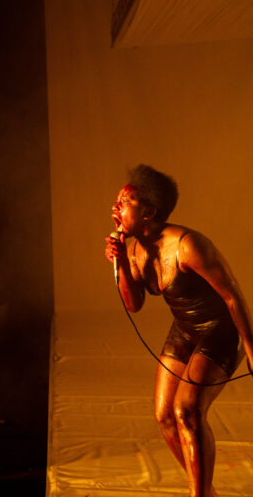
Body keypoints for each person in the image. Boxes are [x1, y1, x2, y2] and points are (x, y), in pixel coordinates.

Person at [105, 164, 253, 497]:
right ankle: (205, 490)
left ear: (149, 212)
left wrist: (252, 349)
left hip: (220, 330)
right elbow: (134, 305)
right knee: (164, 415)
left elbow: (232, 295)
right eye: (116, 200)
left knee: (186, 409)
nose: (115, 207)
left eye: (125, 201)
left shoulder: (188, 244)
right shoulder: (130, 246)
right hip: (185, 330)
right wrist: (119, 267)